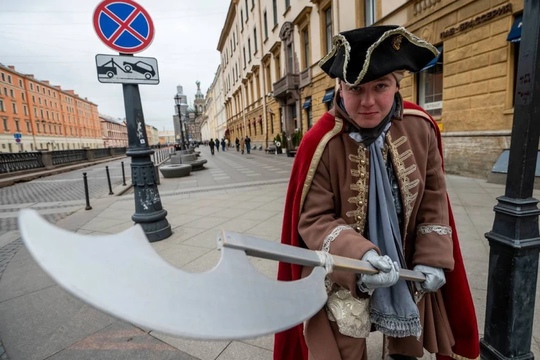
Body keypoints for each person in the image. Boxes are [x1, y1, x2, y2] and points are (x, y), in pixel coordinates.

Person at [274, 25, 479, 360]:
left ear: (397, 84)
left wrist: (432, 257)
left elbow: (433, 200)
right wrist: (361, 258)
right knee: (345, 345)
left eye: (381, 86)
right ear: (339, 88)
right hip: (343, 271)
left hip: (407, 261)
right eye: (356, 88)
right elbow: (314, 219)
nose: (368, 102)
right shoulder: (320, 142)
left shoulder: (420, 126)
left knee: (406, 347)